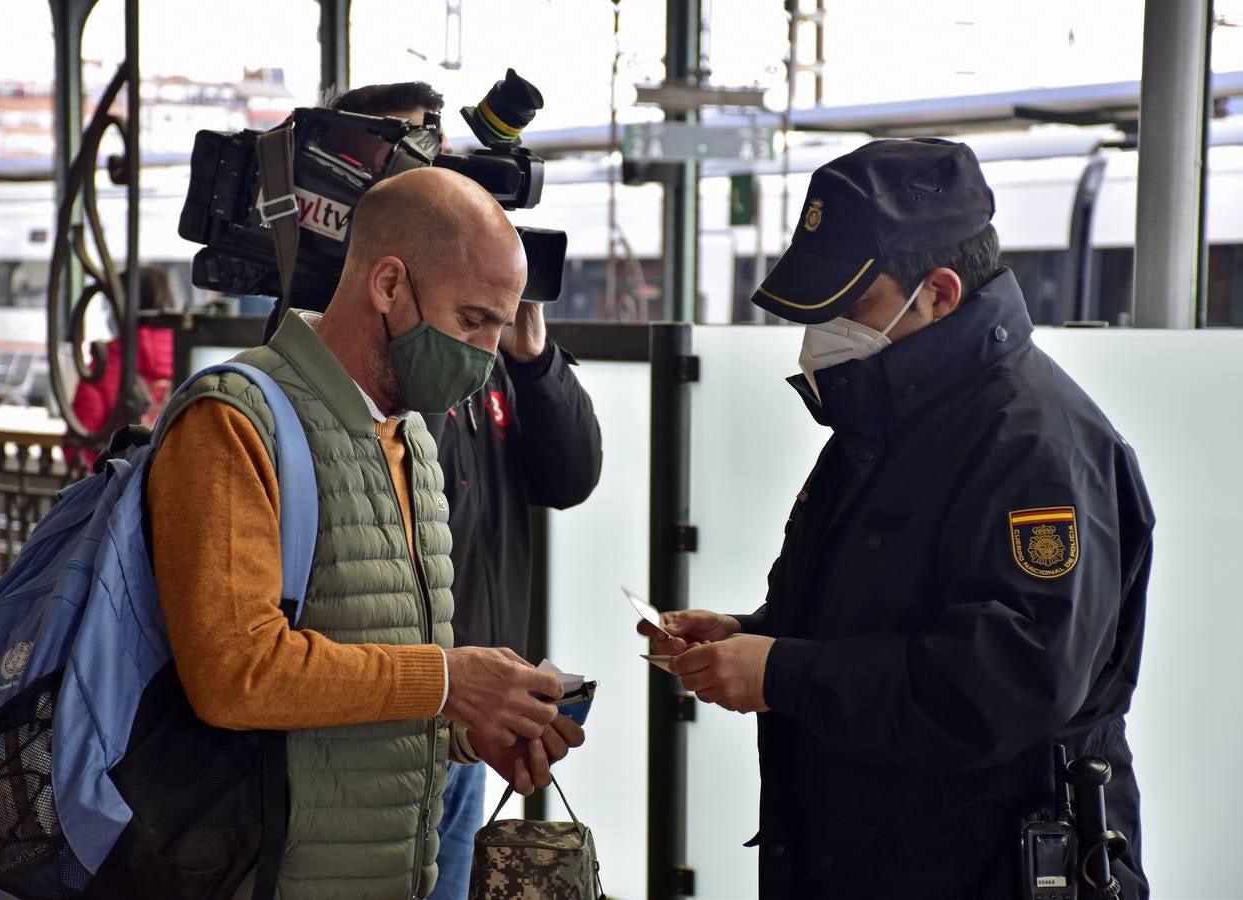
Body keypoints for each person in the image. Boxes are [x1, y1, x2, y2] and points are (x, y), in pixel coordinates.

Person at [641, 138, 1153, 899]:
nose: (822, 335)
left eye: (849, 306)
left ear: (940, 293)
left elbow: (1004, 682)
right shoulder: (888, 415)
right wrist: (753, 634)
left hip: (981, 867)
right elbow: (882, 612)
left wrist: (784, 672)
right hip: (872, 851)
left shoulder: (1036, 445)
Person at [149, 166, 585, 900]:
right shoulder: (232, 422)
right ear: (388, 286)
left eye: (499, 329)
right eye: (472, 320)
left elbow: (376, 672)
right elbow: (235, 674)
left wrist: (475, 726)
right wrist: (451, 681)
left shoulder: (411, 439)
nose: (483, 361)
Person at [265, 81, 603, 900]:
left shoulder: (483, 351)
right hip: (363, 744)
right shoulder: (318, 377)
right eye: (418, 161)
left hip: (462, 731)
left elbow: (573, 474)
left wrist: (529, 357)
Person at [71, 267, 175, 461]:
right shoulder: (188, 357)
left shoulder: (104, 365)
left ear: (119, 308)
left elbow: (79, 446)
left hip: (118, 484)